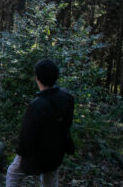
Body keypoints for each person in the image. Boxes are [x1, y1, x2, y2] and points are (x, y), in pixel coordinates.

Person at [6, 59, 75, 187]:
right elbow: (67, 123)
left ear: (37, 77)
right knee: (50, 179)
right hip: (57, 150)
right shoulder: (66, 97)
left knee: (13, 174)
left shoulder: (36, 105)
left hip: (37, 153)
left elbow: (26, 135)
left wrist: (20, 152)